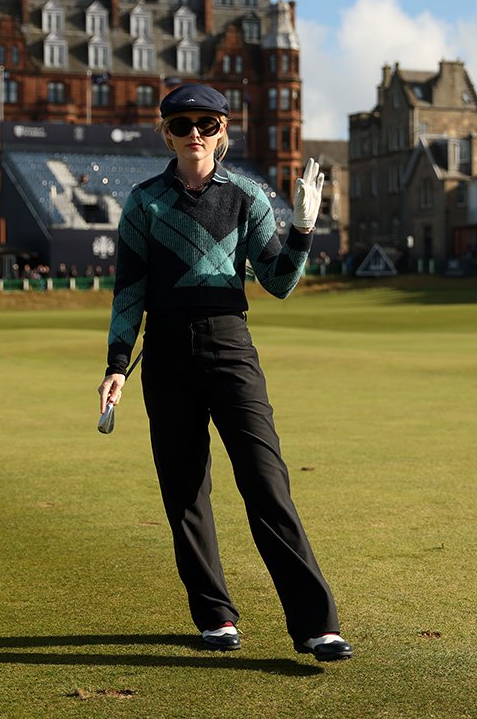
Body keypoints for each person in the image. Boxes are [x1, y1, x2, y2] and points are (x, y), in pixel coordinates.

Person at [97, 83, 352, 662]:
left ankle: (317, 625)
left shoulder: (246, 196)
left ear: (223, 131)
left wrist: (303, 230)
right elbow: (129, 291)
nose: (195, 134)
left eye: (206, 124)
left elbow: (279, 283)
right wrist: (117, 364)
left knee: (266, 481)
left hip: (229, 347)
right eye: (182, 124)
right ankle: (215, 615)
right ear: (166, 133)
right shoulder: (143, 202)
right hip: (165, 354)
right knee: (184, 490)